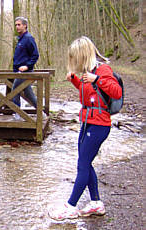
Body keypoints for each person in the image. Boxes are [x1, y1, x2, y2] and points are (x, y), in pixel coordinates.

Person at [48, 36, 122, 221]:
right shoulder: (87, 72)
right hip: (87, 121)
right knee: (85, 163)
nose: (74, 62)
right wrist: (74, 79)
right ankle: (96, 203)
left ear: (83, 55)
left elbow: (116, 92)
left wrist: (96, 79)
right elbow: (87, 93)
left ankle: (70, 207)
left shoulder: (102, 70)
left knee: (82, 165)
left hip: (99, 125)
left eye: (75, 58)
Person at [11, 17, 39, 120]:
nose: (17, 27)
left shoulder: (28, 38)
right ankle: (41, 113)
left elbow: (35, 55)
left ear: (25, 25)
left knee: (15, 90)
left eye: (19, 25)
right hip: (18, 71)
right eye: (16, 25)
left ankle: (18, 114)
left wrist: (27, 66)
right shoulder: (20, 39)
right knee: (29, 94)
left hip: (24, 72)